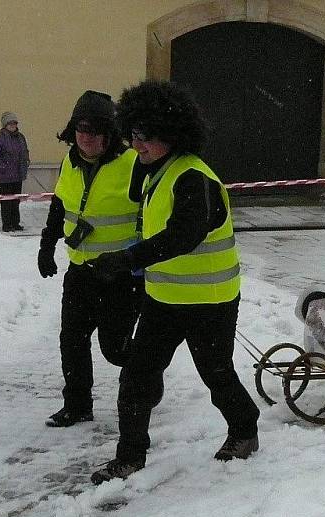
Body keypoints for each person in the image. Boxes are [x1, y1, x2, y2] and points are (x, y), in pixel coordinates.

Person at [86, 80, 261, 484]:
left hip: (209, 301)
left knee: (215, 373)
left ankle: (244, 427)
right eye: (132, 135)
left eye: (145, 137)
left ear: (172, 135)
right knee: (137, 374)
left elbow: (184, 234)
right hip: (164, 299)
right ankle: (130, 455)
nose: (137, 146)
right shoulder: (156, 172)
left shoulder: (193, 178)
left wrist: (128, 259)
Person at [37, 90, 143, 427]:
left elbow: (153, 215)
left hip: (121, 276)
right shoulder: (70, 161)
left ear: (110, 133)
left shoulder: (133, 164)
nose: (87, 138)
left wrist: (142, 260)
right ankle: (78, 404)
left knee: (115, 348)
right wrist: (46, 245)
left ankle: (144, 384)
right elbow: (60, 204)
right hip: (81, 270)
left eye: (95, 131)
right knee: (72, 340)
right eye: (81, 130)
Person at [0, 111, 30, 232]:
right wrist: (1, 167)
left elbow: (25, 151)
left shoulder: (21, 137)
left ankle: (15, 223)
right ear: (5, 125)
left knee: (16, 200)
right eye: (10, 123)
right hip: (5, 177)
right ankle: (7, 224)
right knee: (7, 202)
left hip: (18, 175)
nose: (13, 126)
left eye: (14, 123)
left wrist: (26, 161)